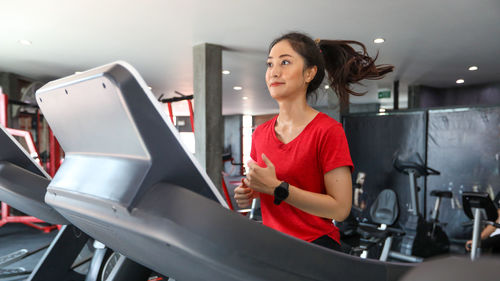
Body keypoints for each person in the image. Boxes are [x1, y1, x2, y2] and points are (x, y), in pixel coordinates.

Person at [233, 32, 393, 251]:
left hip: (316, 249)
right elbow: (262, 187)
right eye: (270, 64)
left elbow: (340, 208)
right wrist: (249, 193)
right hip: (274, 246)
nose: (274, 72)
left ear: (309, 73)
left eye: (285, 62)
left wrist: (279, 189)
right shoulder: (260, 133)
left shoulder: (328, 131)